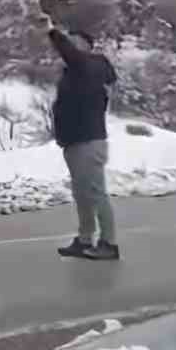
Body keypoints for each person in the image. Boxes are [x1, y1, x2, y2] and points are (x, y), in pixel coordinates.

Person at [42, 13, 120, 260]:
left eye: (74, 41)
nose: (70, 46)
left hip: (90, 141)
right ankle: (85, 239)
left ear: (87, 45)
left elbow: (74, 56)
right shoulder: (76, 71)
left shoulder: (94, 65)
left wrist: (52, 32)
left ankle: (109, 243)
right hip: (74, 141)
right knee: (81, 194)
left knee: (96, 193)